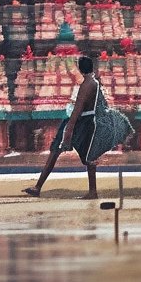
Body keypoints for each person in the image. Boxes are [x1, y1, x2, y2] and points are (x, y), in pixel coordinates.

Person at [23, 55, 100, 199]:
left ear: (80, 68)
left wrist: (68, 131)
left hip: (77, 122)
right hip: (87, 122)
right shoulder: (94, 83)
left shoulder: (86, 85)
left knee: (55, 151)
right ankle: (92, 191)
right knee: (87, 156)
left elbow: (78, 108)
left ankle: (38, 187)